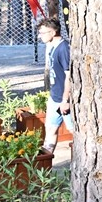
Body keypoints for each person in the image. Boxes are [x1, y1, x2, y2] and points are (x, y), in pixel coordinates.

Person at [38, 18, 74, 154]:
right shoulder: (52, 47)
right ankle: (45, 164)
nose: (40, 36)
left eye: (43, 33)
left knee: (73, 130)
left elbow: (69, 76)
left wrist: (65, 100)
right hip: (55, 97)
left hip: (64, 99)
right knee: (51, 129)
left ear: (53, 32)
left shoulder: (64, 48)